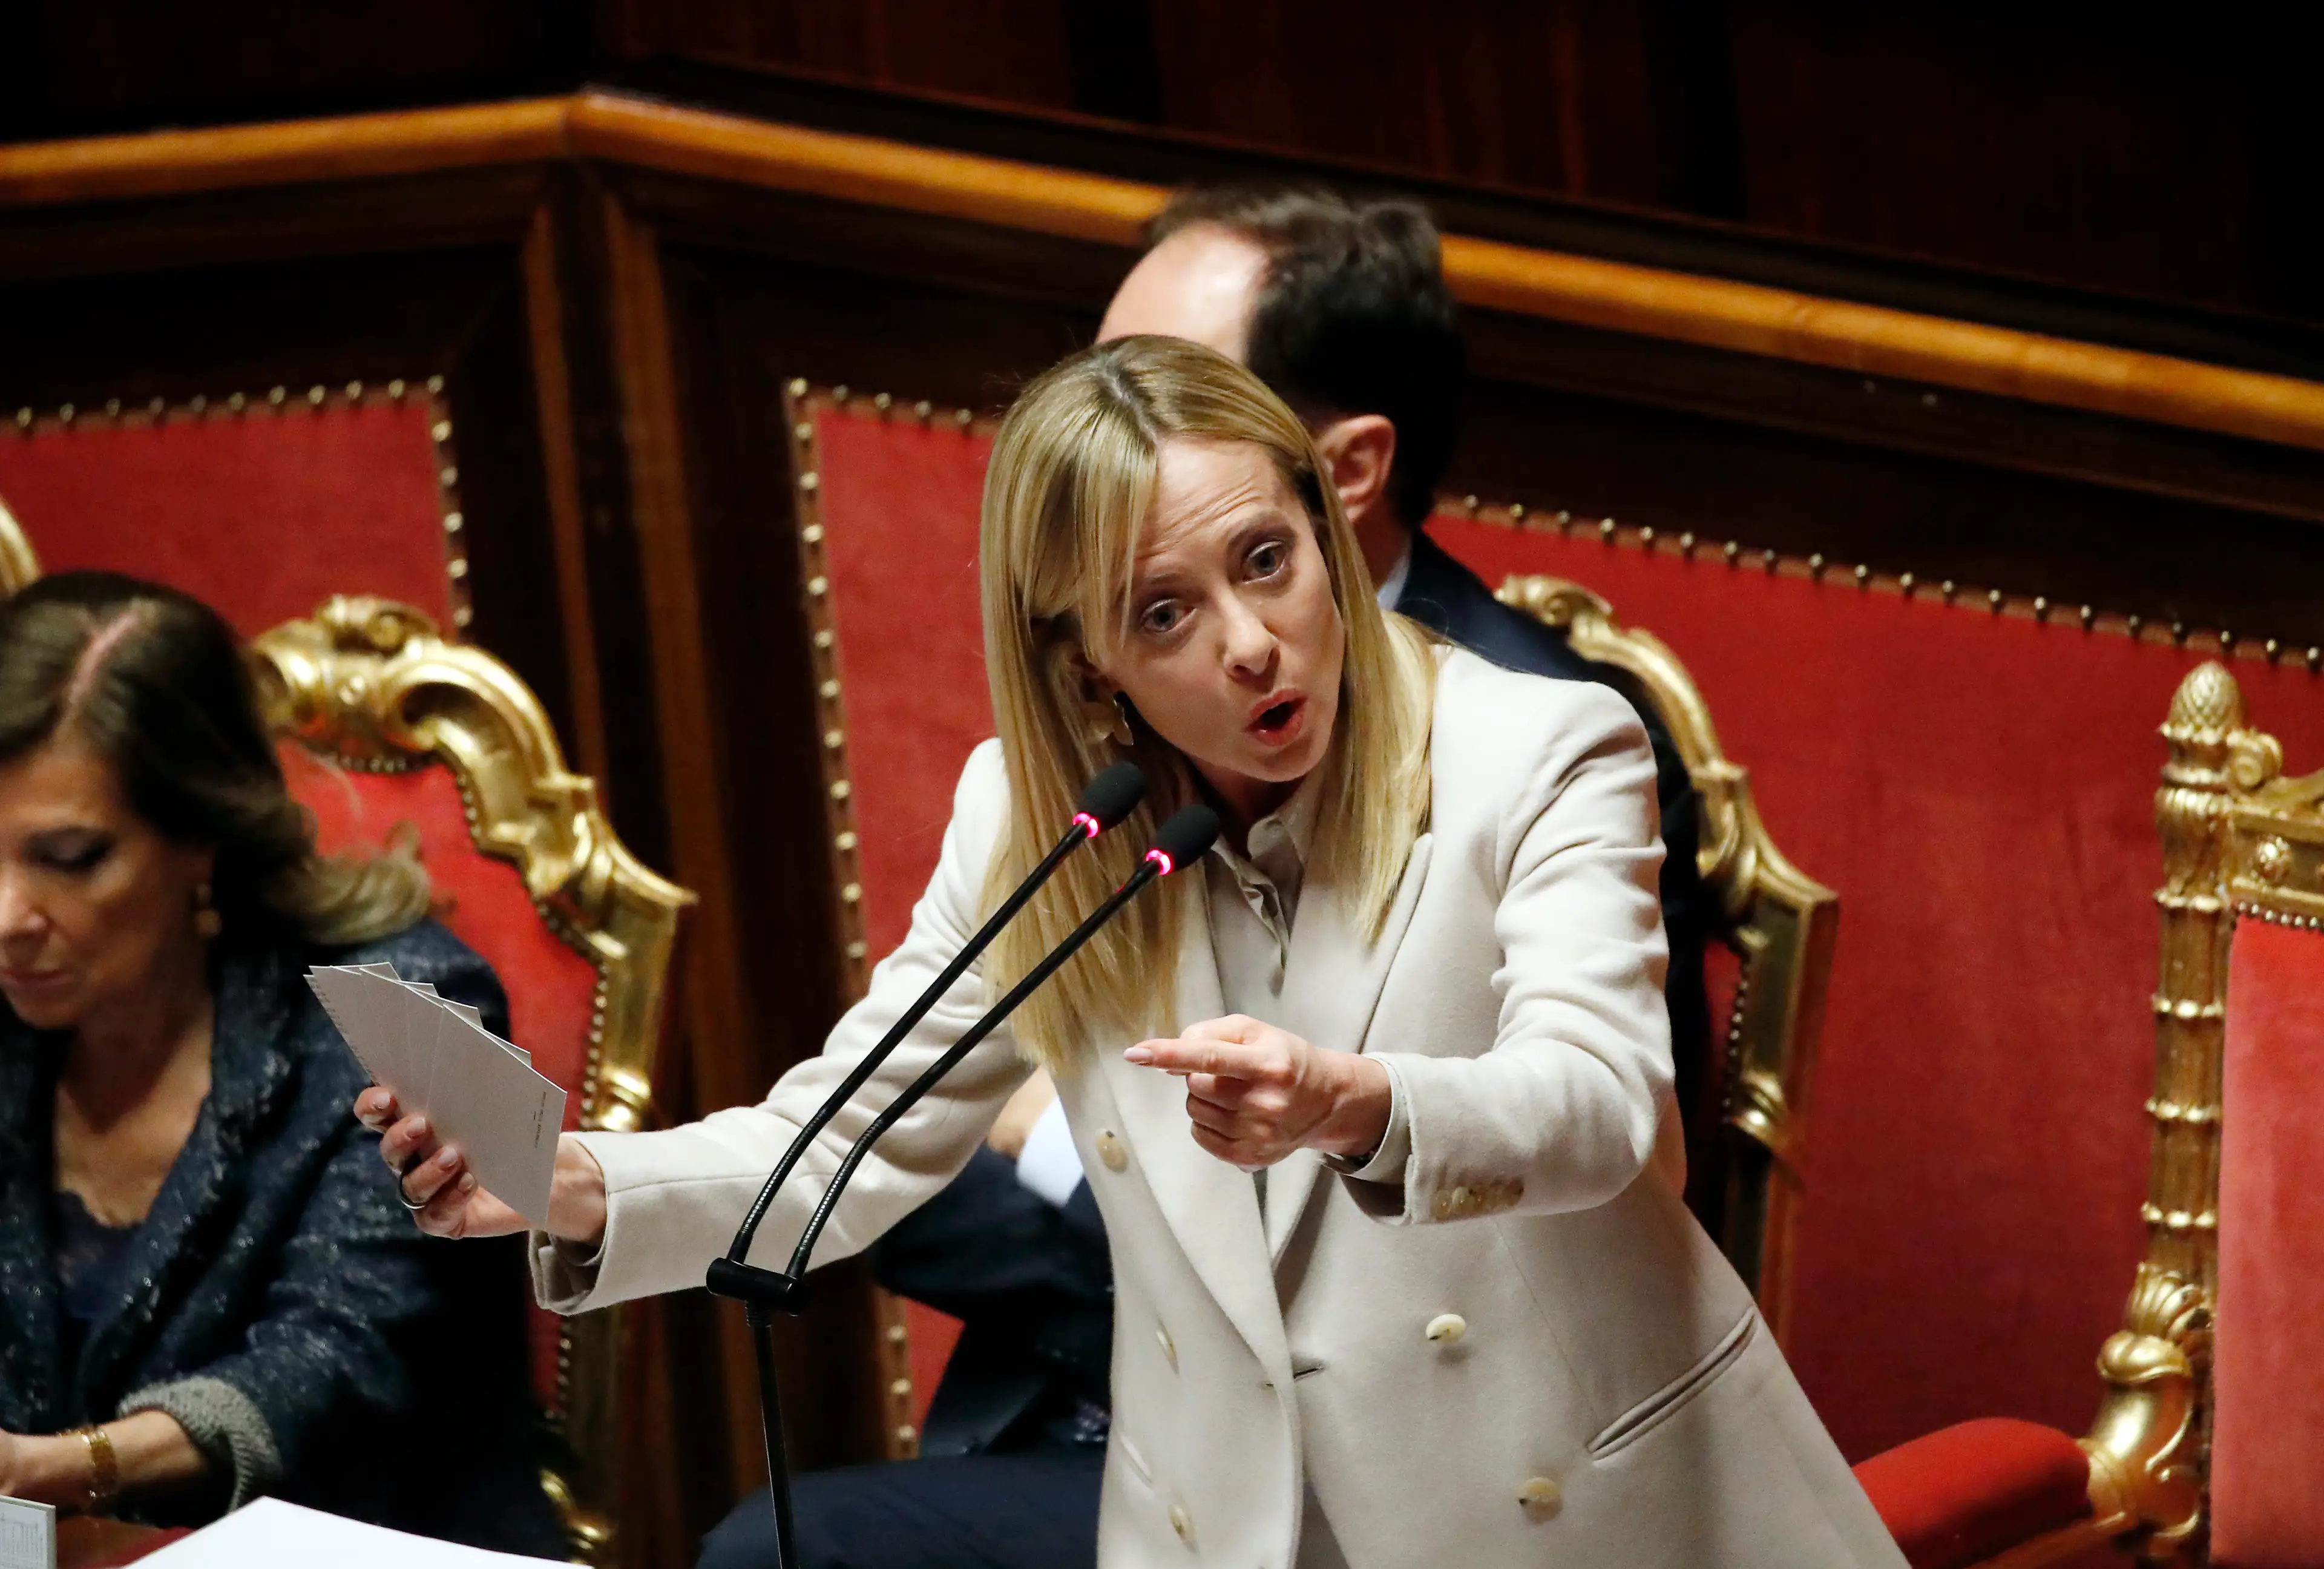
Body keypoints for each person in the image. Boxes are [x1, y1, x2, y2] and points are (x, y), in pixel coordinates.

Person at [366, 338, 1901, 1568]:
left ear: (1325, 525)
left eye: (1266, 560)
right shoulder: (1045, 826)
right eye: (1165, 611)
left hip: (1581, 1525)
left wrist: (1358, 1102)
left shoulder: (1538, 749)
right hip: (1228, 1527)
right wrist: (577, 1188)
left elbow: (1604, 1103)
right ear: (1086, 662)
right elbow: (840, 1141)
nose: (1247, 640)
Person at [738, 182, 1723, 1569]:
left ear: (1336, 473)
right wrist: (580, 1186)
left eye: (1174, 394)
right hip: (1141, 1430)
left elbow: (1607, 1140)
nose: (1111, 438)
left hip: (1466, 1479)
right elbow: (898, 1167)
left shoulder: (1543, 734)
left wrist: (1113, 1154)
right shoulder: (1090, 771)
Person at [0, 572, 565, 1556]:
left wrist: (53, 1471)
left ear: (202, 838)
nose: (7, 918)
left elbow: (338, 1365)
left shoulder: (403, 1014)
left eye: (72, 857)